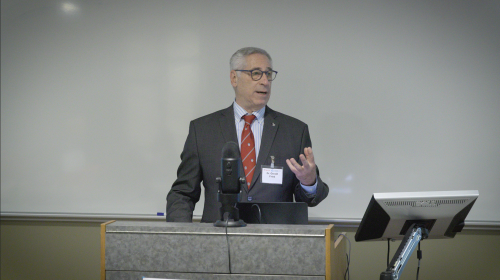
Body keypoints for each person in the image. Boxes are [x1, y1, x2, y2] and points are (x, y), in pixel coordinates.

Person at [166, 47, 329, 222]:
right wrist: (181, 236)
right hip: (218, 240)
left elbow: (312, 198)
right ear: (234, 78)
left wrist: (309, 182)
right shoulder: (203, 130)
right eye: (256, 73)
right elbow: (182, 193)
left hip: (275, 243)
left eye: (268, 74)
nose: (265, 81)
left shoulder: (294, 131)